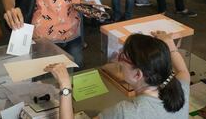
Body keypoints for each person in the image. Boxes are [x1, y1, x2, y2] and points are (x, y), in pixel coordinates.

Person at [44, 33, 190, 119]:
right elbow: (184, 72)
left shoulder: (125, 112)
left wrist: (65, 87)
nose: (118, 58)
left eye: (123, 57)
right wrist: (171, 47)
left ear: (138, 74)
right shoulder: (179, 88)